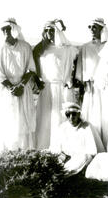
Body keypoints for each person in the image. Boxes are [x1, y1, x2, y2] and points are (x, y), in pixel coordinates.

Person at [0, 18, 37, 154]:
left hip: (23, 90)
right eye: (3, 29)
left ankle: (23, 152)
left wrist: (21, 85)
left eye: (8, 28)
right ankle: (8, 153)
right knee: (8, 121)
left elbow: (31, 69)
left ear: (15, 29)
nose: (6, 31)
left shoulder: (25, 46)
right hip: (6, 92)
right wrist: (11, 88)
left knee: (23, 120)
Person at [34, 20, 79, 149]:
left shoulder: (65, 48)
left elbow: (75, 57)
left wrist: (71, 78)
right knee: (46, 118)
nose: (49, 33)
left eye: (52, 30)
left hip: (61, 87)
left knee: (60, 117)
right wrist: (38, 80)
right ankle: (45, 146)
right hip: (47, 87)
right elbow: (34, 63)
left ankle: (62, 147)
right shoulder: (41, 48)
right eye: (47, 30)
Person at [74, 18, 108, 139]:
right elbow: (80, 70)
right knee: (92, 113)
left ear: (101, 29)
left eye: (95, 27)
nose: (92, 30)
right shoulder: (85, 47)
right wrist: (84, 84)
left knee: (106, 115)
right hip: (91, 88)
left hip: (106, 87)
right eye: (90, 27)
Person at [51, 102, 105, 175]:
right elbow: (57, 146)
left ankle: (67, 172)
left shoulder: (87, 127)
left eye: (74, 114)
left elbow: (92, 152)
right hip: (66, 157)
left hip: (81, 157)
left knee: (84, 158)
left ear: (79, 114)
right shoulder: (63, 127)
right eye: (68, 115)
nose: (71, 117)